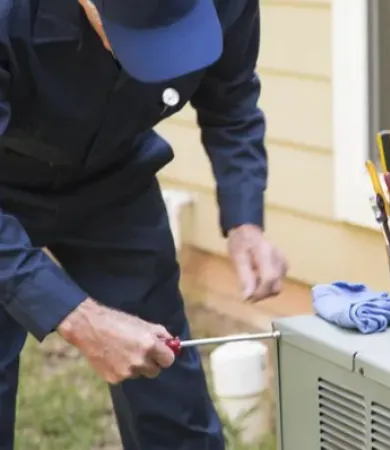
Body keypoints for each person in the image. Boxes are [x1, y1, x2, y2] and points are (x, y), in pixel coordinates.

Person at [0, 0, 288, 448]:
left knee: (167, 381)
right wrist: (80, 318)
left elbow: (230, 97)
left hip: (115, 180)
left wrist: (244, 219)